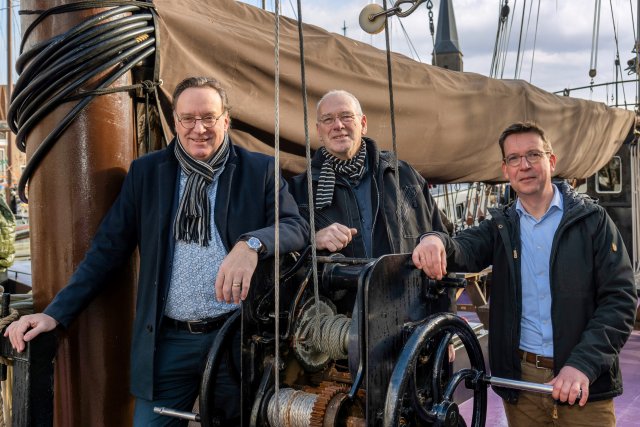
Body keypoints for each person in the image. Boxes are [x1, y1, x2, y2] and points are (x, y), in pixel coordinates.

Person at [4, 76, 309, 425]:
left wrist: (251, 244)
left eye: (208, 117)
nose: (199, 128)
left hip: (236, 339)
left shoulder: (259, 170)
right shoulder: (147, 174)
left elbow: (295, 226)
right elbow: (106, 251)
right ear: (175, 121)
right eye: (188, 118)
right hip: (168, 342)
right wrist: (54, 314)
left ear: (226, 119)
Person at [414, 122, 638, 426]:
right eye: (515, 158)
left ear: (551, 161)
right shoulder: (501, 227)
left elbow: (620, 299)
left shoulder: (592, 221)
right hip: (523, 384)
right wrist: (434, 239)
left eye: (533, 154)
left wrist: (582, 365)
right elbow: (462, 248)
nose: (525, 165)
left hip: (584, 379)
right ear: (505, 169)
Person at [288, 89, 446, 260]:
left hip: (407, 286)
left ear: (363, 124)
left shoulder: (405, 176)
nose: (338, 125)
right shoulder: (299, 190)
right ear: (319, 131)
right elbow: (284, 258)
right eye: (328, 119)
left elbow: (443, 237)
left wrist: (435, 240)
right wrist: (313, 239)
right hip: (342, 287)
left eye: (346, 116)